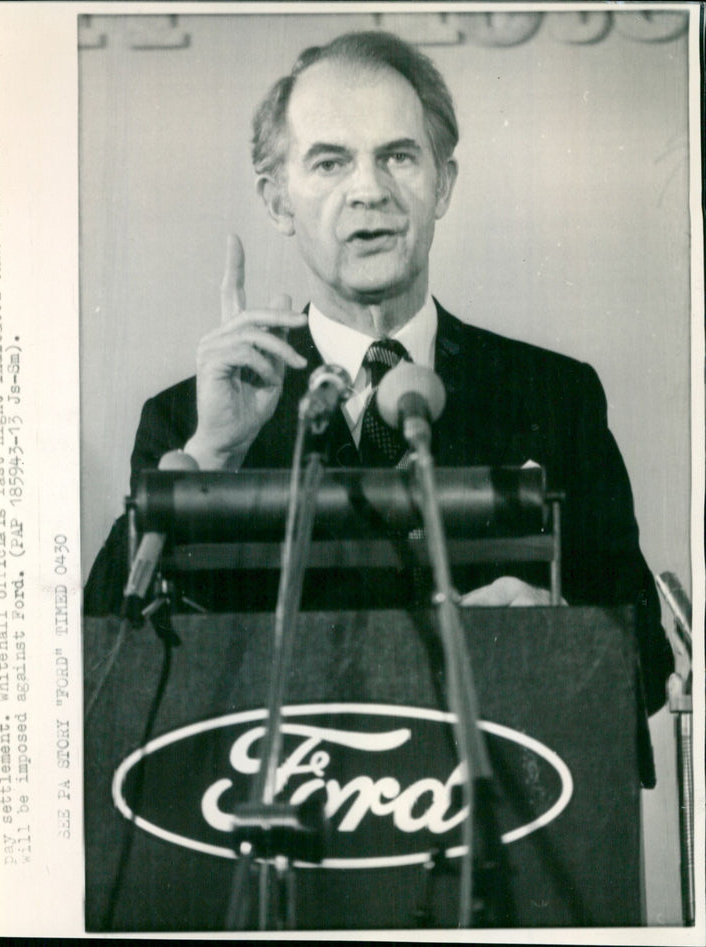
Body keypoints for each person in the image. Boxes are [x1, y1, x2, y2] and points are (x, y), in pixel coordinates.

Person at [85, 31, 673, 729]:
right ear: (277, 202)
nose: (369, 191)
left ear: (442, 184)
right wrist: (213, 454)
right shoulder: (191, 417)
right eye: (330, 163)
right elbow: (107, 663)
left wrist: (563, 636)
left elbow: (649, 662)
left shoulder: (555, 395)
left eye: (398, 156)